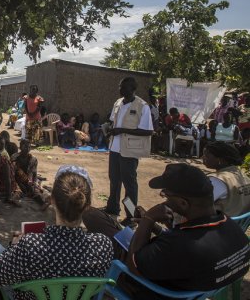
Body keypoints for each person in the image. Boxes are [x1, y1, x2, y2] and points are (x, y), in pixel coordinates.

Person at [0, 166, 113, 299]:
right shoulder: (103, 245)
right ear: (87, 204)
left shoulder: (31, 246)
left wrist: (14, 246)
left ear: (52, 200)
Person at [125, 163, 250, 297]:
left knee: (109, 236)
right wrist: (159, 228)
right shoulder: (230, 226)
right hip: (199, 288)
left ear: (183, 203)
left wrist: (148, 220)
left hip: (156, 292)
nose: (164, 199)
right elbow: (182, 247)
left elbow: (133, 266)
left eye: (166, 195)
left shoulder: (181, 244)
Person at [105, 77, 153, 226]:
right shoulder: (118, 103)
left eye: (124, 87)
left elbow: (148, 131)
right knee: (114, 179)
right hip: (115, 148)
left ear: (133, 89)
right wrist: (110, 129)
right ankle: (113, 208)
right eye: (120, 87)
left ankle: (131, 216)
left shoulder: (142, 106)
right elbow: (114, 121)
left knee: (129, 185)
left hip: (130, 151)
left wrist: (123, 130)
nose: (120, 90)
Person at [203, 141, 250, 216]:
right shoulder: (242, 175)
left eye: (206, 155)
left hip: (220, 225)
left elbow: (199, 203)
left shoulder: (218, 180)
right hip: (239, 224)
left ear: (220, 159)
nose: (203, 158)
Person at [11, 139, 48, 205]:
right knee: (17, 191)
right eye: (25, 147)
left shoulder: (33, 159)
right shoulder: (14, 157)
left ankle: (43, 203)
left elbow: (34, 173)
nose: (27, 149)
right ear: (20, 147)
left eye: (29, 147)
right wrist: (19, 184)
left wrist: (33, 183)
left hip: (28, 180)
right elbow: (12, 173)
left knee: (34, 191)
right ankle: (15, 199)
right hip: (17, 180)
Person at [0, 138, 21, 205]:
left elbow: (8, 178)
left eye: (2, 144)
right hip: (1, 182)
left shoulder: (3, 158)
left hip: (5, 186)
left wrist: (8, 197)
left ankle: (9, 196)